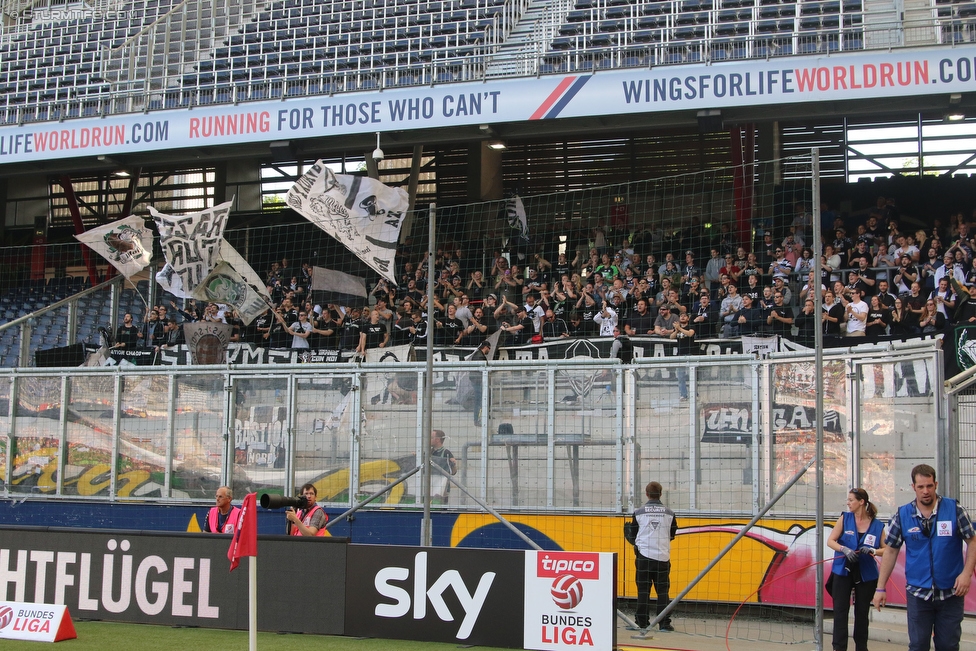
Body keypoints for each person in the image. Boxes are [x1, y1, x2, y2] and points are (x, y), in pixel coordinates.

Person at [872, 464, 976, 651]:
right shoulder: (903, 515)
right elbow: (891, 551)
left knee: (948, 646)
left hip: (951, 593)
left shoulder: (954, 509)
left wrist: (966, 574)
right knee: (918, 645)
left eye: (929, 486)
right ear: (913, 487)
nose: (926, 491)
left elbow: (973, 541)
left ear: (935, 484)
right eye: (921, 487)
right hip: (918, 594)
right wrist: (880, 588)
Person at [827, 488, 887, 651]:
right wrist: (844, 549)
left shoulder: (877, 525)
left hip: (866, 573)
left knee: (862, 613)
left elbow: (887, 549)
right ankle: (838, 648)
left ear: (862, 502)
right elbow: (830, 541)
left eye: (851, 500)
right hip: (843, 570)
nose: (848, 503)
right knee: (840, 611)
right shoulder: (844, 518)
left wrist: (874, 551)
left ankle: (861, 647)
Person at [630, 481, 677, 633]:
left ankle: (641, 622)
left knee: (643, 590)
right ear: (661, 494)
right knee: (663, 591)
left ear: (647, 494)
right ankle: (664, 623)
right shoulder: (669, 513)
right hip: (662, 557)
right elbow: (672, 534)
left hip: (643, 557)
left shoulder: (639, 513)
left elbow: (633, 534)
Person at [430, 429, 457, 504]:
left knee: (441, 508)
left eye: (431, 437)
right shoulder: (428, 452)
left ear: (438, 440)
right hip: (430, 486)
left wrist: (453, 464)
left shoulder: (446, 453)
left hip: (441, 488)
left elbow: (453, 472)